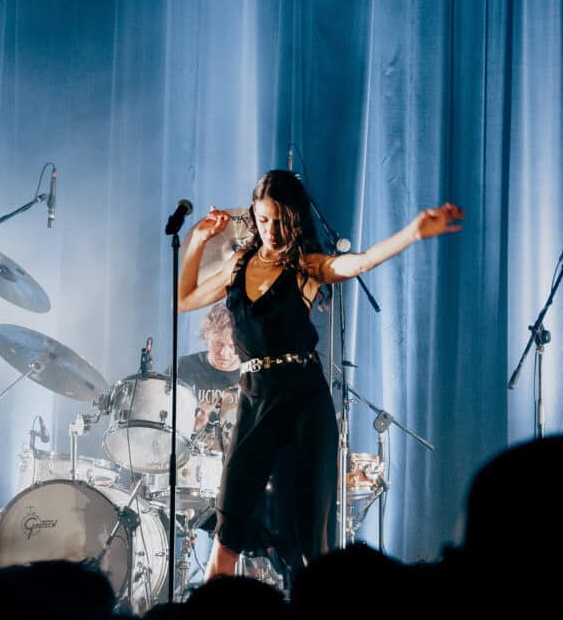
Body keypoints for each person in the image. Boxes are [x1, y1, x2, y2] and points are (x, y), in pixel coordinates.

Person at [177, 171, 462, 583]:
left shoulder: (306, 266)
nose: (271, 230)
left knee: (313, 537)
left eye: (279, 220)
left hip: (303, 402)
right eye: (262, 219)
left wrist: (413, 233)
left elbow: (360, 262)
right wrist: (199, 240)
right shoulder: (238, 265)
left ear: (295, 219)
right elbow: (185, 298)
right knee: (229, 528)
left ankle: (321, 617)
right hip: (255, 401)